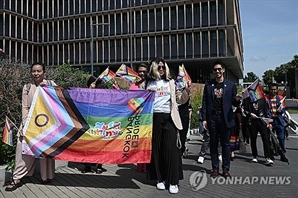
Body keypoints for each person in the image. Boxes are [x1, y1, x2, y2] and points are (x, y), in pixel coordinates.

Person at [5, 63, 56, 191]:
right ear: (31, 73)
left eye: (39, 71)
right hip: (30, 123)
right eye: (34, 71)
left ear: (44, 72)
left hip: (47, 124)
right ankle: (16, 177)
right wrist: (25, 124)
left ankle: (46, 176)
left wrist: (49, 89)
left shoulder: (51, 84)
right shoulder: (27, 87)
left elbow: (61, 98)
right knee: (21, 147)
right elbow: (25, 107)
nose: (36, 73)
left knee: (45, 150)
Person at [146, 57, 190, 194]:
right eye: (158, 67)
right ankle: (160, 179)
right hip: (154, 118)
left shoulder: (171, 82)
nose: (161, 70)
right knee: (157, 149)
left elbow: (180, 99)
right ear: (153, 68)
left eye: (163, 67)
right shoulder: (149, 83)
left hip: (169, 117)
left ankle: (173, 181)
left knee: (171, 149)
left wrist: (186, 92)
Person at [201, 61, 241, 179]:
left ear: (223, 70)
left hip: (225, 118)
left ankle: (226, 169)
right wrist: (204, 118)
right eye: (215, 70)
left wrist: (238, 99)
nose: (217, 71)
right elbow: (205, 102)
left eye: (219, 69)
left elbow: (234, 102)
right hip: (212, 117)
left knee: (226, 145)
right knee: (213, 143)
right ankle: (215, 168)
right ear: (213, 72)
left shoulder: (230, 85)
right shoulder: (209, 85)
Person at [81, 76, 108, 174]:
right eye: (98, 84)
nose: (99, 86)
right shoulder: (85, 93)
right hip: (88, 122)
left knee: (100, 145)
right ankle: (87, 166)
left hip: (100, 122)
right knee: (88, 145)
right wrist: (90, 90)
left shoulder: (103, 94)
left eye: (100, 84)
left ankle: (99, 165)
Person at [129, 63, 148, 173]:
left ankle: (147, 165)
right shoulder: (134, 85)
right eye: (140, 71)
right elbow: (128, 98)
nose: (141, 73)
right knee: (139, 143)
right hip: (138, 118)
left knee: (147, 142)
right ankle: (140, 164)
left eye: (144, 71)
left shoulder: (150, 83)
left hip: (149, 118)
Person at [265, 83, 288, 163]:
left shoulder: (280, 98)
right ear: (269, 89)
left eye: (275, 89)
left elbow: (284, 109)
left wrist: (281, 110)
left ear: (277, 90)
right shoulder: (265, 98)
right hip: (269, 120)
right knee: (269, 139)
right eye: (271, 89)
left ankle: (282, 154)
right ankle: (271, 154)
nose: (273, 91)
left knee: (281, 138)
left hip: (279, 120)